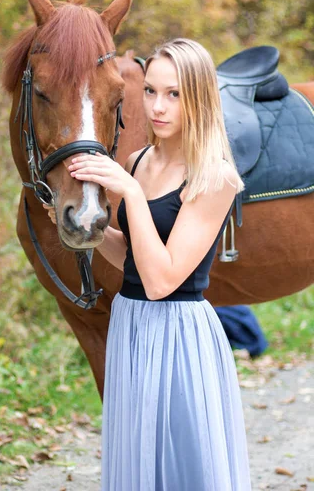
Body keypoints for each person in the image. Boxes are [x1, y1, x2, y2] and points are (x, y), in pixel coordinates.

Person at [47, 38, 251, 490]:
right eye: (151, 91)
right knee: (140, 464)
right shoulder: (139, 160)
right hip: (132, 323)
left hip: (179, 334)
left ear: (198, 98)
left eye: (174, 94)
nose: (158, 107)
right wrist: (91, 231)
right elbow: (135, 261)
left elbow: (162, 280)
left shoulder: (213, 177)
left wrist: (132, 194)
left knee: (184, 468)